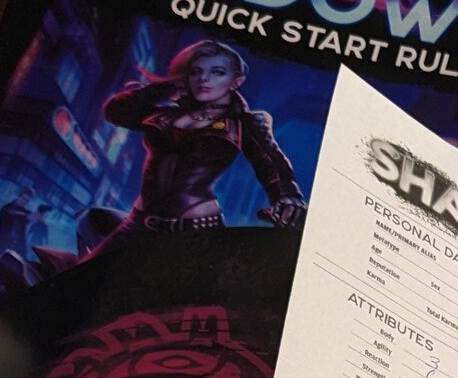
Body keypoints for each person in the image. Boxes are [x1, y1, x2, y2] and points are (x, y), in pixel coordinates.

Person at [89, 38, 306, 254]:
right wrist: (170, 85)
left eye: (217, 72)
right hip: (138, 226)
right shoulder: (167, 114)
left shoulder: (244, 123)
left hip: (197, 235)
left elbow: (270, 161)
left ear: (236, 81)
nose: (204, 78)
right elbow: (116, 111)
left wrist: (287, 196)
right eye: (195, 72)